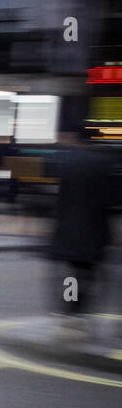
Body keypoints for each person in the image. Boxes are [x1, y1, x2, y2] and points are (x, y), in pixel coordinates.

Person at [48, 113, 119, 333]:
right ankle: (81, 312)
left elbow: (58, 197)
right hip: (95, 229)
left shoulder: (66, 162)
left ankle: (70, 312)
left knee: (72, 273)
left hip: (68, 227)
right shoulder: (105, 162)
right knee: (90, 273)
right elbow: (113, 199)